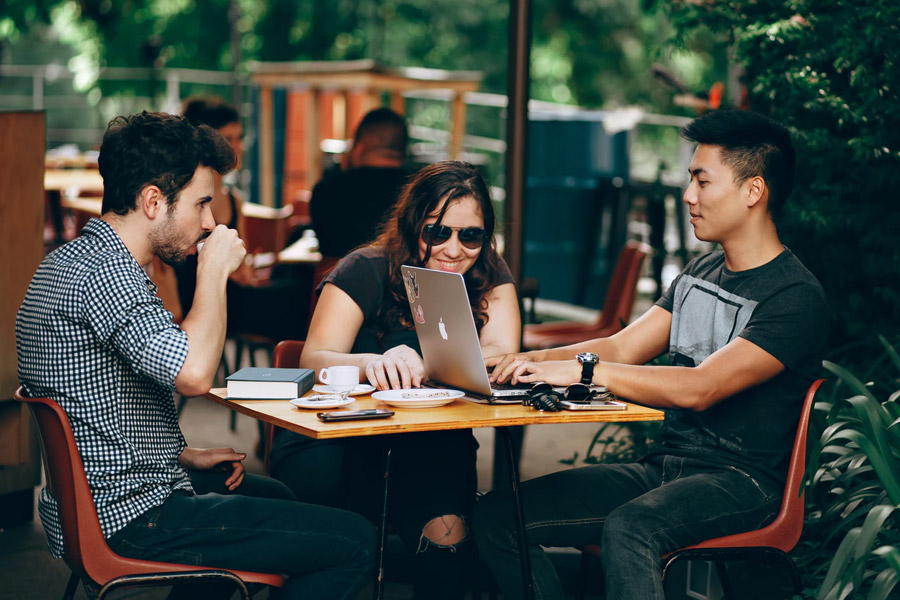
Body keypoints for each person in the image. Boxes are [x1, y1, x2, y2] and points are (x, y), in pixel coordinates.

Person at [16, 111, 374, 600]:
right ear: (152, 201)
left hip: (101, 500)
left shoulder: (72, 261)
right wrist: (213, 272)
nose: (210, 222)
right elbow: (195, 375)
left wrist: (177, 454)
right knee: (353, 540)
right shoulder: (107, 276)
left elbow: (93, 403)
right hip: (134, 515)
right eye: (202, 203)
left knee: (277, 495)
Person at [474, 110, 828, 600]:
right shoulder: (701, 271)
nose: (689, 196)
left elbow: (701, 388)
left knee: (629, 528)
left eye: (703, 181)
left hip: (743, 483)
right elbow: (622, 346)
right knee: (499, 517)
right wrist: (527, 361)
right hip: (665, 467)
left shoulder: (793, 296)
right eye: (690, 180)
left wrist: (578, 369)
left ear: (753, 191)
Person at [269, 161, 521, 599]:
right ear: (411, 228)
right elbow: (311, 360)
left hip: (430, 441)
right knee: (342, 548)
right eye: (437, 232)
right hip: (340, 438)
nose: (454, 249)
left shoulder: (488, 273)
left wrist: (440, 359)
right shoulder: (364, 268)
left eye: (471, 235)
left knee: (450, 556)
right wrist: (372, 362)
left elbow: (500, 354)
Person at [310, 107, 413, 258]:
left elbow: (325, 248)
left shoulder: (325, 190)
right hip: (400, 280)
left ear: (359, 147)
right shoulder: (419, 191)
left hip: (338, 279)